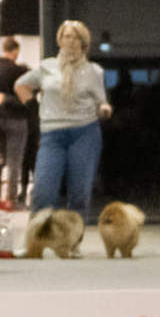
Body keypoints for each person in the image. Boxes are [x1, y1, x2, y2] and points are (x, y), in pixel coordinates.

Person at [15, 20, 112, 223]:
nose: (71, 41)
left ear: (83, 42)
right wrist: (34, 107)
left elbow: (101, 101)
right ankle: (38, 236)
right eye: (67, 36)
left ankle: (73, 237)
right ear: (60, 40)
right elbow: (20, 85)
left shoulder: (94, 71)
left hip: (84, 132)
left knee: (79, 193)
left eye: (76, 37)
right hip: (52, 134)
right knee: (43, 191)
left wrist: (104, 109)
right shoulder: (47, 67)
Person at [0, 36, 30, 208]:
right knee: (14, 163)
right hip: (16, 121)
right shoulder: (19, 71)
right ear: (15, 51)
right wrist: (8, 99)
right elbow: (26, 100)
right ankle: (11, 201)